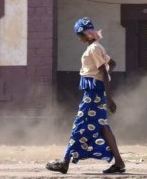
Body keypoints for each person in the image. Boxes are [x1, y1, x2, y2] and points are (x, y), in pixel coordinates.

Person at [46, 17, 126, 174]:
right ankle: (119, 162)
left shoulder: (93, 49)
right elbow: (113, 64)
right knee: (103, 127)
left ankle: (65, 163)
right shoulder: (97, 47)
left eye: (79, 34)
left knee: (79, 125)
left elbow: (103, 71)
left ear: (85, 34)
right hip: (97, 93)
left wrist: (109, 97)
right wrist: (104, 82)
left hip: (93, 94)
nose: (78, 38)